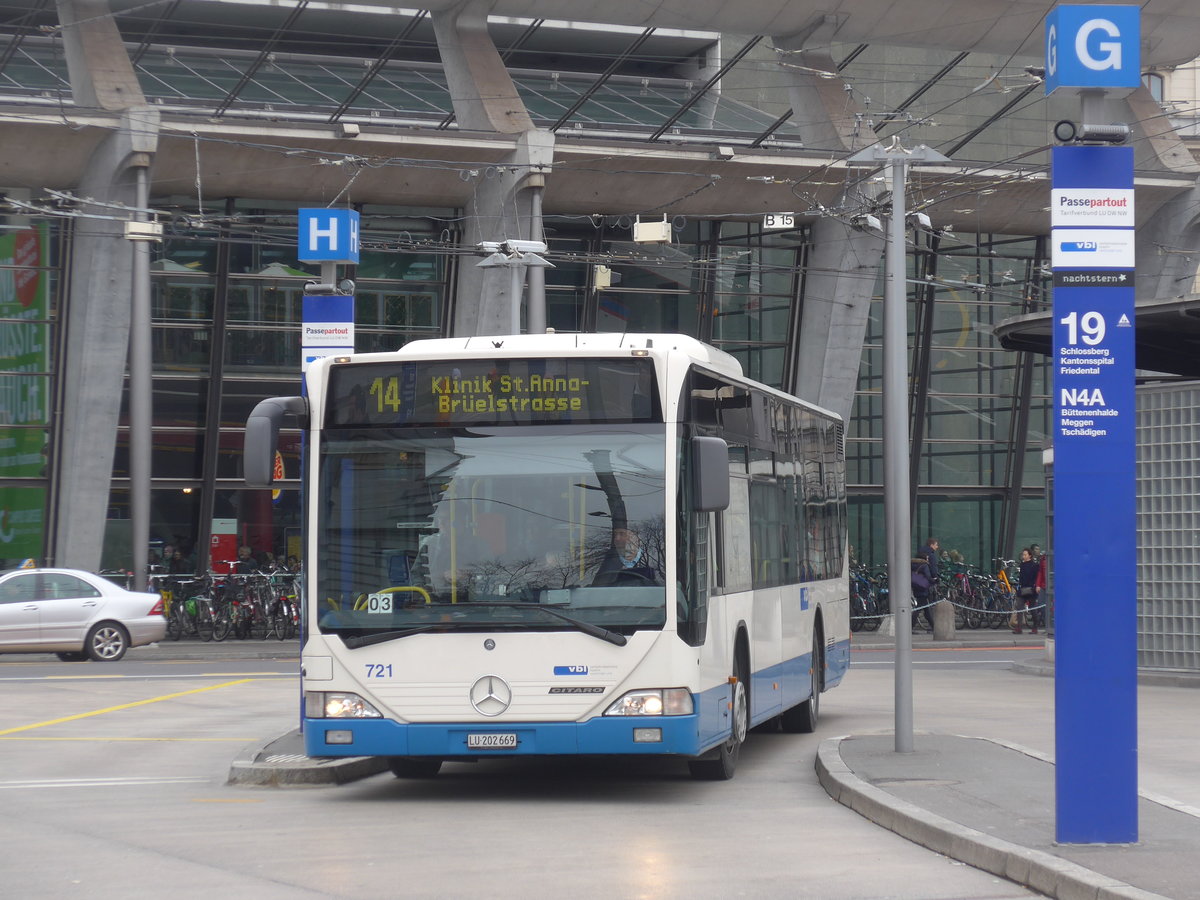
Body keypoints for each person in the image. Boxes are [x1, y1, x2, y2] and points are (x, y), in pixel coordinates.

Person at [911, 537, 939, 632]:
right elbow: (930, 575)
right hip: (924, 587)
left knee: (925, 608)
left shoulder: (914, 563)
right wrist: (934, 580)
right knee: (920, 607)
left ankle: (933, 627)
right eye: (936, 545)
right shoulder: (925, 564)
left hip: (917, 586)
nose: (937, 547)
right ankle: (909, 627)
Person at [1013, 546, 1039, 634]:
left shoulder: (1035, 565)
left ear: (1030, 556)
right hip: (1023, 588)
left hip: (1031, 589)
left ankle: (1035, 627)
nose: (1023, 556)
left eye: (1025, 554)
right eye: (1023, 554)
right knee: (1019, 607)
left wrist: (1034, 586)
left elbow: (1035, 577)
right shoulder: (1022, 565)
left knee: (1032, 608)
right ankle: (1019, 627)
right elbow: (1021, 577)